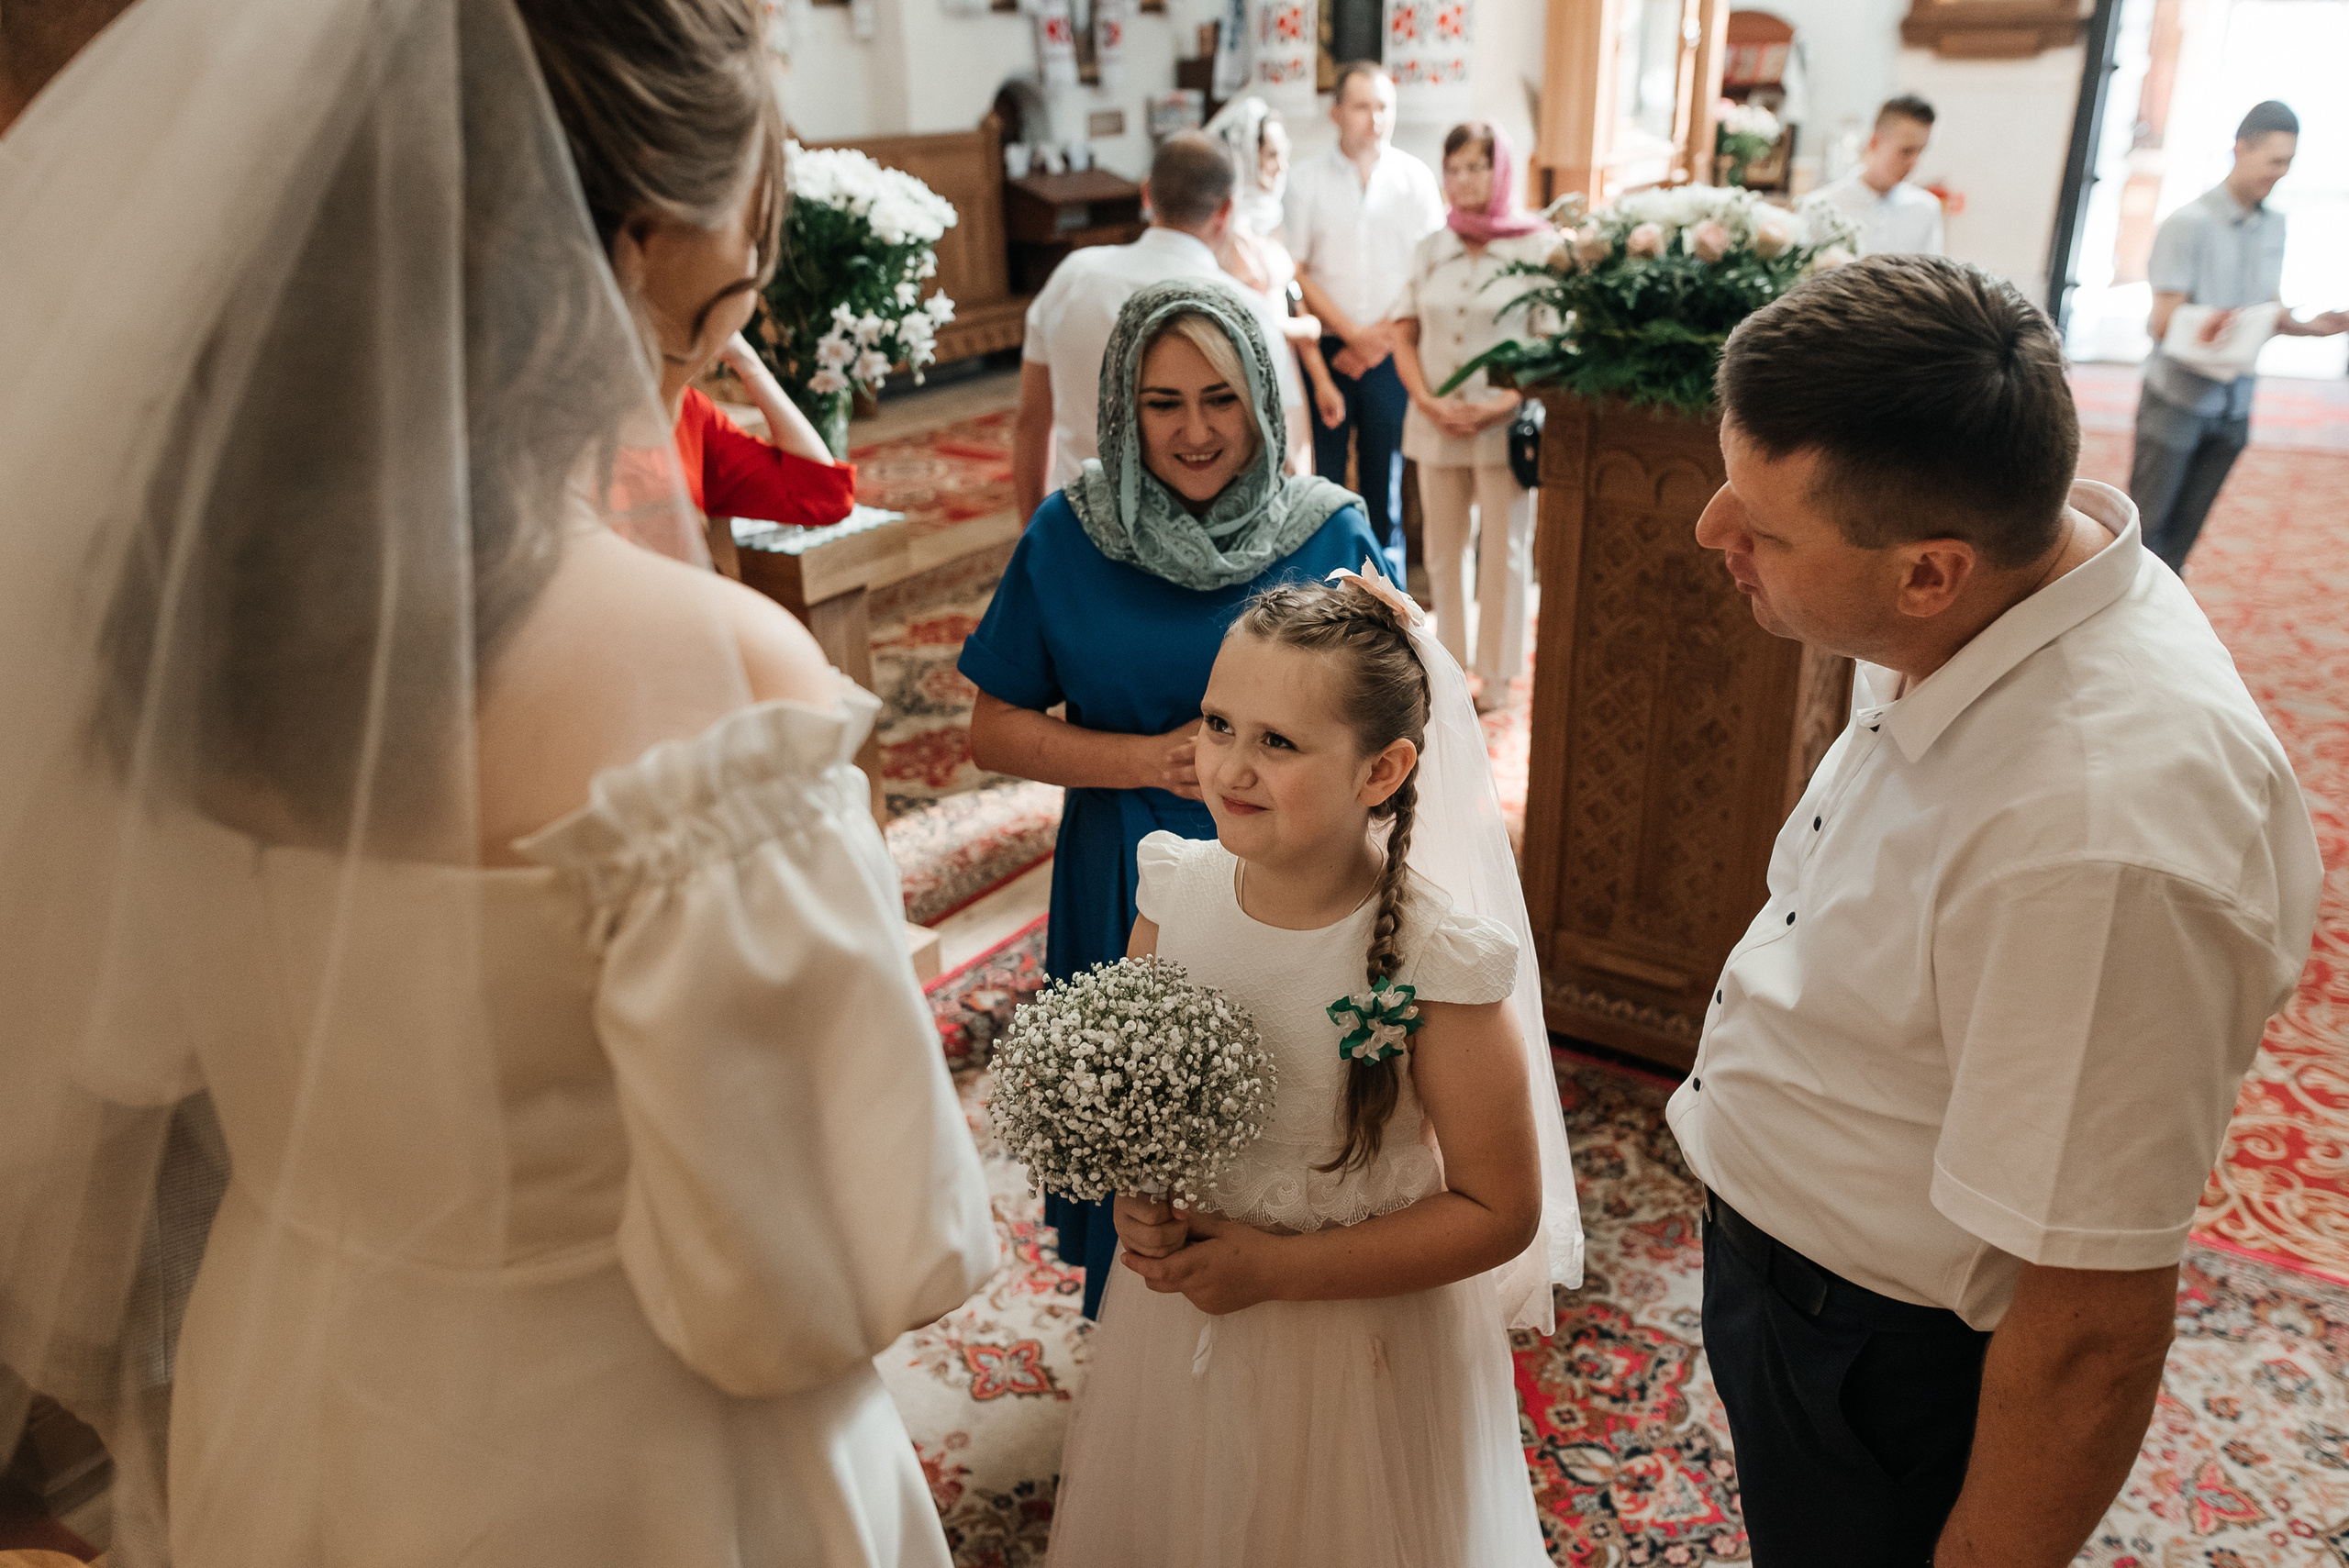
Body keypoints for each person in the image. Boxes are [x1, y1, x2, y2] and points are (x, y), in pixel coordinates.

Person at [0, 2, 997, 1565]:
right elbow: (837, 1260)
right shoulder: (716, 673)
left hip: (295, 1384)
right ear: (636, 234)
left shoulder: (173, 626)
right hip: (637, 1458)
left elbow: (126, 1030)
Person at [1672, 254, 2321, 1564]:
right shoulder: (1993, 601)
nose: (1708, 529)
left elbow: (2089, 1323)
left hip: (1886, 1356)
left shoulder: (2100, 837)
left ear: (1929, 572)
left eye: (1765, 525)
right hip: (1802, 1284)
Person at [1043, 572, 1581, 1565]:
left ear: (1381, 771)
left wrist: (1278, 1268)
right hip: (1189, 1319)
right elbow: (1140, 1102)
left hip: (1359, 1342)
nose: (1231, 766)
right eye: (1218, 723)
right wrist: (1137, 1199)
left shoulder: (1438, 960)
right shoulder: (1172, 891)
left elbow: (1500, 1209)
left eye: (1278, 742)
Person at [962, 282, 1395, 1318]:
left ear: (1262, 401)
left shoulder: (1327, 531)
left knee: (1289, 1132)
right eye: (1163, 403)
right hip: (1123, 866)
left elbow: (1400, 722)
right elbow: (992, 729)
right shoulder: (1069, 535)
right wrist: (1146, 761)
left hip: (1301, 883)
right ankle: (1145, 1360)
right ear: (1124, 407)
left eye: (1220, 398)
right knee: (1142, 1147)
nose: (1195, 431)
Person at [2132, 99, 2347, 573]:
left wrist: (2309, 327)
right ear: (2240, 149)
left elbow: (2266, 309)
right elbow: (2165, 323)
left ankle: (2167, 607)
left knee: (2185, 536)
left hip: (2235, 404)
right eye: (2274, 161)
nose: (2281, 173)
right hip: (2179, 398)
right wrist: (2231, 322)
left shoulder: (2274, 224)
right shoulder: (2188, 223)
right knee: (2145, 534)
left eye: (2288, 163)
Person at [1388, 121, 1554, 713]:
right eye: (1453, 168)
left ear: (1500, 170)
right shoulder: (1432, 247)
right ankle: (1450, 668)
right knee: (1443, 550)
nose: (1463, 179)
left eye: (1476, 166)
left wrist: (1501, 404)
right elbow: (1403, 332)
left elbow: (1551, 343)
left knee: (1505, 549)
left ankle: (1500, 675)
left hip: (1503, 426)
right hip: (1434, 423)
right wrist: (1427, 401)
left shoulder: (1536, 247)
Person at [1013, 132, 1250, 523]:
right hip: (1199, 531)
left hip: (1078, 517)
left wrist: (1034, 535)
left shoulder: (1072, 276)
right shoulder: (1241, 305)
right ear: (1226, 209)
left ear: (1146, 194)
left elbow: (1032, 423)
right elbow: (1287, 453)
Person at [1286, 61, 1446, 579]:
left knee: (1385, 481)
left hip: (1393, 349)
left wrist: (1377, 340)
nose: (1375, 119)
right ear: (1336, 113)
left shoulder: (1415, 179)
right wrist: (1353, 335)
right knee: (1325, 481)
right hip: (1327, 351)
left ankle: (1389, 593)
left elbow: (1428, 268)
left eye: (1384, 107)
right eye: (1361, 106)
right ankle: (1323, 593)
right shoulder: (1306, 179)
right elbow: (1295, 269)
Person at [1203, 96, 1342, 476]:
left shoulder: (1272, 220)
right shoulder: (1232, 235)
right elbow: (1237, 319)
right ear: (1245, 157)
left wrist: (1321, 379)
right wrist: (1304, 329)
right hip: (1249, 370)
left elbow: (1289, 298)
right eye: (1271, 156)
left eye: (1285, 155)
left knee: (1297, 469)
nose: (1282, 167)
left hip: (1286, 365)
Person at [1801, 94, 1943, 257]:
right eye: (1906, 151)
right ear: (1875, 142)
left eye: (1921, 151)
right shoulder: (1818, 207)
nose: (1914, 163)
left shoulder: (1926, 209)